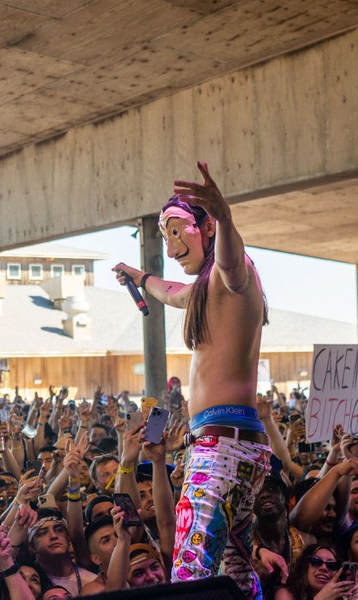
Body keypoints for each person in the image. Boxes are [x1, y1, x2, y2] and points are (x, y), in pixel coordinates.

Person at [114, 161, 271, 596]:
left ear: (204, 228)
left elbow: (231, 258)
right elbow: (173, 293)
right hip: (233, 443)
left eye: (178, 231)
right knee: (234, 571)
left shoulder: (233, 276)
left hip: (222, 446)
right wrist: (139, 277)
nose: (172, 245)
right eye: (165, 236)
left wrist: (224, 216)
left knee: (191, 573)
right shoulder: (206, 290)